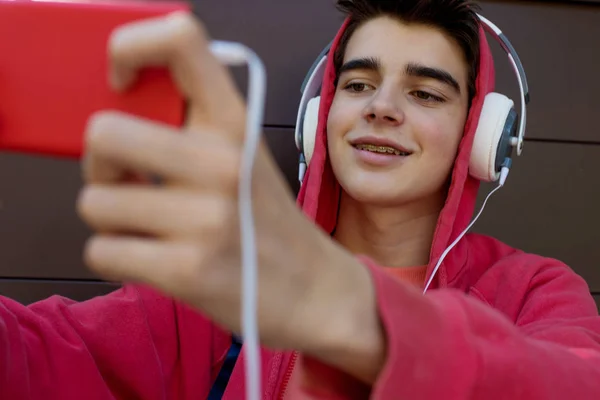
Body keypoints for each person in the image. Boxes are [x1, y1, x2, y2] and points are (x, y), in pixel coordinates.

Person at [2, 0, 600, 399]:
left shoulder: (534, 291)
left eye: (425, 93)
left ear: (480, 138)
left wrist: (347, 310)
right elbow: (39, 354)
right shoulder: (229, 279)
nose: (381, 107)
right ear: (320, 117)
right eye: (359, 84)